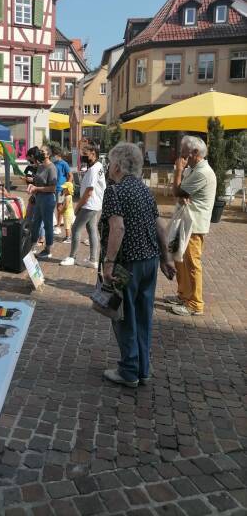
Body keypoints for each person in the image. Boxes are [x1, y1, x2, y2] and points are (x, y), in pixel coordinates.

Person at [99, 143, 175, 388]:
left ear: (118, 166)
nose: (109, 167)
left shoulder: (115, 191)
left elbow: (117, 228)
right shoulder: (145, 190)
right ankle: (143, 368)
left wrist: (109, 263)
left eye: (110, 163)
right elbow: (159, 227)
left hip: (127, 264)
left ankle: (129, 370)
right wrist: (166, 258)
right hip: (149, 261)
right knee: (143, 316)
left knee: (124, 316)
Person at [166, 135, 216, 316]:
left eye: (183, 152)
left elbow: (177, 191)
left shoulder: (202, 172)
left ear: (195, 152)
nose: (181, 155)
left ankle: (195, 303)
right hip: (186, 221)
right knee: (179, 259)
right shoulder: (194, 169)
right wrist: (182, 189)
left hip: (194, 225)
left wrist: (178, 170)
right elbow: (181, 193)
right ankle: (184, 295)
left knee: (192, 263)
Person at [60, 141, 106, 269]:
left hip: (89, 204)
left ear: (93, 153)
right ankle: (93, 260)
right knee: (92, 229)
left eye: (85, 153)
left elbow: (89, 191)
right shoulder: (97, 166)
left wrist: (78, 206)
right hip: (95, 204)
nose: (82, 156)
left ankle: (72, 257)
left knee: (75, 228)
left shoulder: (94, 169)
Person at [28, 145, 57, 259]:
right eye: (39, 151)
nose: (39, 153)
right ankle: (32, 246)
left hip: (47, 199)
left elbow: (53, 188)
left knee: (48, 225)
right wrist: (31, 183)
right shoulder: (40, 166)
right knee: (35, 223)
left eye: (42, 151)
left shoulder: (52, 168)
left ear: (48, 154)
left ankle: (48, 249)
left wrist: (36, 188)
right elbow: (38, 180)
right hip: (38, 198)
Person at [50, 145, 72, 235]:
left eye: (53, 155)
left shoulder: (64, 164)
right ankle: (56, 222)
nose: (52, 156)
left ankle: (58, 226)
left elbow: (70, 176)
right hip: (52, 188)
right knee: (52, 206)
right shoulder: (53, 163)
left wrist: (66, 187)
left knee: (59, 207)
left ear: (58, 155)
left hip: (60, 188)